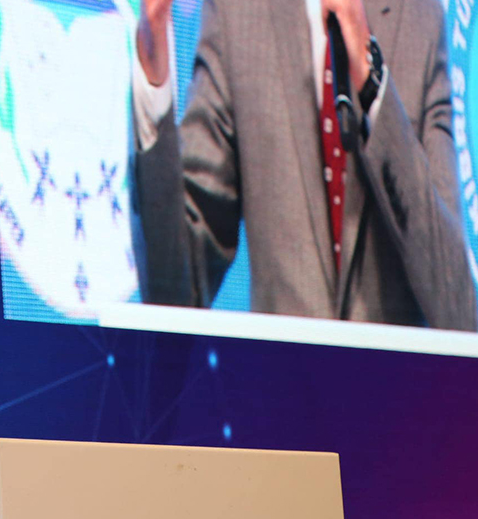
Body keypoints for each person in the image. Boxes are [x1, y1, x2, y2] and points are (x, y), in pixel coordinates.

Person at [132, 0, 478, 330]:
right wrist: (154, 81)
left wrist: (372, 86)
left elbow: (456, 308)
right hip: (280, 370)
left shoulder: (420, 17)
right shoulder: (237, 13)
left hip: (394, 372)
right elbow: (177, 292)